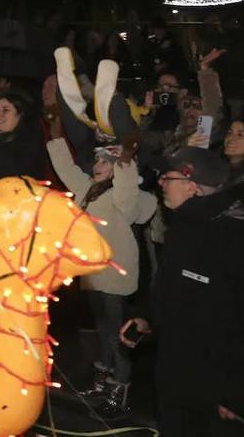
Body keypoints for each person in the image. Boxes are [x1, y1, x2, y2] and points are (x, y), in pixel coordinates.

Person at [121, 147, 244, 435]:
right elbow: (172, 290)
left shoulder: (232, 238)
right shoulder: (183, 227)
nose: (161, 183)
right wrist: (147, 319)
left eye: (168, 178)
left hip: (216, 391)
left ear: (193, 188)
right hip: (175, 375)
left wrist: (235, 394)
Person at [47, 126, 156, 416]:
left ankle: (120, 388)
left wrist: (125, 160)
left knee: (117, 335)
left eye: (105, 162)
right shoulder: (90, 190)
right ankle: (102, 381)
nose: (97, 166)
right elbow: (66, 169)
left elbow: (126, 189)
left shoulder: (127, 197)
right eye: (97, 161)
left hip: (116, 276)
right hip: (94, 274)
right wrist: (56, 132)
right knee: (103, 329)